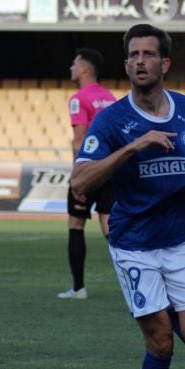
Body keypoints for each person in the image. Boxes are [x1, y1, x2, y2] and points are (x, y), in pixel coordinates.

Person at [71, 24, 185, 369]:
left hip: (179, 240)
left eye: (148, 54)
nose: (140, 61)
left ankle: (164, 308)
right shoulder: (111, 121)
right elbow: (79, 180)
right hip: (134, 244)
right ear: (126, 64)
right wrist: (133, 147)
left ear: (165, 63)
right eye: (133, 55)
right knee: (161, 343)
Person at [58, 48, 117, 300]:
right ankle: (137, 281)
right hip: (111, 168)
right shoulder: (110, 98)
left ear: (84, 69)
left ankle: (78, 288)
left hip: (90, 167)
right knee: (110, 227)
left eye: (74, 63)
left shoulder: (78, 98)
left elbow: (78, 140)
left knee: (76, 224)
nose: (70, 68)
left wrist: (77, 178)